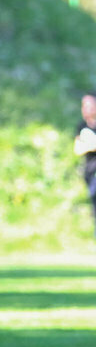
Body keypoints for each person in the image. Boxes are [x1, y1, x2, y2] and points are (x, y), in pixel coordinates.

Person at [73, 91, 96, 238]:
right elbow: (77, 149)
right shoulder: (82, 126)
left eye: (89, 105)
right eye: (84, 105)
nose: (86, 108)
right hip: (90, 172)